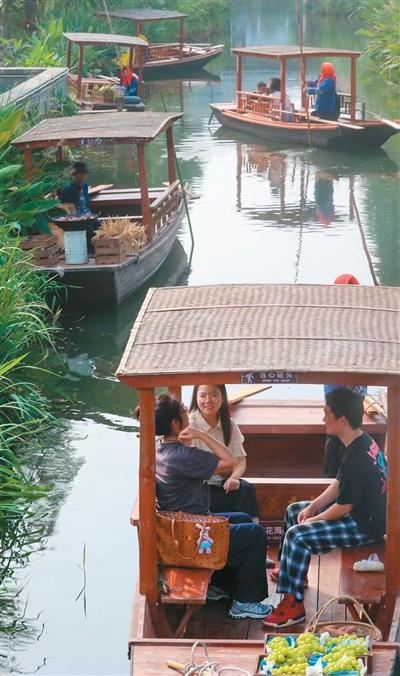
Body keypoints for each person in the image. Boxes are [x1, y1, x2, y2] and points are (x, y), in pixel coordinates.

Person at [263, 388, 387, 628]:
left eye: (326, 413)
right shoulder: (358, 441)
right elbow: (340, 484)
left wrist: (314, 520)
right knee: (294, 511)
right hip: (358, 513)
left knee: (297, 535)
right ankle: (292, 576)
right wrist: (313, 507)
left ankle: (293, 605)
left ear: (342, 420)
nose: (323, 418)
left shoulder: (358, 455)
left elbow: (344, 506)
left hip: (365, 525)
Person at [150, 394, 273, 620]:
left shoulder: (160, 448)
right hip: (193, 537)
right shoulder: (184, 456)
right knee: (255, 534)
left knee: (243, 519)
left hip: (180, 528)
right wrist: (201, 435)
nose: (188, 416)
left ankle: (219, 584)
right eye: (184, 412)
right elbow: (230, 461)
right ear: (176, 424)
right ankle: (244, 603)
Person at [189, 385, 259, 520]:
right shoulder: (190, 424)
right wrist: (226, 468)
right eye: (202, 396)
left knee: (246, 488)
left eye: (214, 395)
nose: (208, 400)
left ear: (222, 398)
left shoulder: (229, 424)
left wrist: (234, 477)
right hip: (200, 488)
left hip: (223, 484)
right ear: (195, 398)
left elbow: (240, 460)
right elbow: (194, 468)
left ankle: (253, 526)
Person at [324, 274, 367, 477]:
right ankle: (333, 480)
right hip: (338, 399)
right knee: (335, 442)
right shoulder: (332, 325)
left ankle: (346, 479)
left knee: (353, 443)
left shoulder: (362, 323)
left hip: (356, 399)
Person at [59, 162, 100, 250]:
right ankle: (89, 251)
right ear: (75, 175)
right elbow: (66, 208)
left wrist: (89, 216)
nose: (84, 176)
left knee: (99, 225)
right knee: (89, 231)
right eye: (81, 174)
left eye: (85, 174)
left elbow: (86, 204)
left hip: (88, 216)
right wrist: (77, 217)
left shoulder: (85, 186)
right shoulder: (68, 189)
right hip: (75, 219)